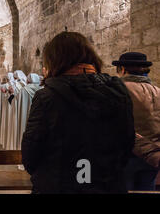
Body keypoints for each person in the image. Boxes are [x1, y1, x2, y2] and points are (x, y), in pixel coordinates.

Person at [22, 32, 134, 193]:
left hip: (59, 186)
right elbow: (127, 143)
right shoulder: (118, 91)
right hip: (107, 186)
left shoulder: (48, 96)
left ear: (54, 60)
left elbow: (31, 153)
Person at [112, 52, 160, 191]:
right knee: (146, 189)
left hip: (127, 154)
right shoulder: (158, 91)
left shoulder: (117, 90)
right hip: (153, 156)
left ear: (122, 69)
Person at [13, 73, 43, 149]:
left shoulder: (23, 90)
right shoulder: (41, 90)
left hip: (24, 116)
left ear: (28, 80)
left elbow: (15, 103)